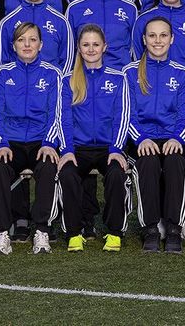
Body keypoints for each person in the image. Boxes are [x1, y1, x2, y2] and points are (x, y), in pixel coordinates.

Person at [0, 22, 64, 254]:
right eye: (21, 40)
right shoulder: (2, 74)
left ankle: (42, 230)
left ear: (41, 44)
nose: (27, 44)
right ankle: (2, 232)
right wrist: (0, 143)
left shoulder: (52, 74)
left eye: (32, 40)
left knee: (49, 166)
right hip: (10, 142)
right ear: (13, 46)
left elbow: (56, 112)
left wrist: (49, 142)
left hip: (41, 141)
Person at [57, 24, 131, 252]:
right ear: (79, 48)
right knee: (67, 173)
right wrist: (67, 150)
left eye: (95, 44)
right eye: (86, 45)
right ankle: (74, 232)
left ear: (104, 47)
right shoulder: (68, 80)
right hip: (78, 148)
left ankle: (114, 232)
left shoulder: (118, 79)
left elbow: (122, 116)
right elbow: (63, 118)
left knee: (117, 174)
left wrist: (116, 149)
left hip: (108, 147)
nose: (91, 49)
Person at [123, 17, 185, 253]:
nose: (158, 40)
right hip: (141, 138)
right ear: (144, 39)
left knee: (175, 162)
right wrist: (140, 138)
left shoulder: (182, 73)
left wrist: (178, 138)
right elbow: (127, 114)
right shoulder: (130, 72)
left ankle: (174, 228)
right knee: (148, 162)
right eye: (152, 36)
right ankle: (150, 228)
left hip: (173, 137)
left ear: (172, 39)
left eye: (163, 35)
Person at [0, 0, 73, 72]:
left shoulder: (61, 21)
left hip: (52, 82)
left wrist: (57, 80)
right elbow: (2, 63)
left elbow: (67, 60)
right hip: (18, 82)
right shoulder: (7, 22)